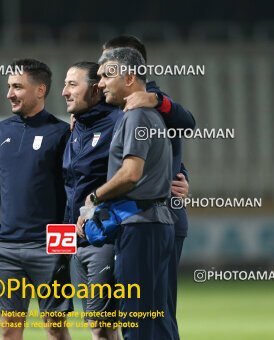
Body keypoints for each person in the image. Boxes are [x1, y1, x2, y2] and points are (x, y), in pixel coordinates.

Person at [103, 35, 195, 339]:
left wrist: (157, 100)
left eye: (111, 63)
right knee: (141, 314)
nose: (102, 71)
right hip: (127, 218)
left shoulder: (150, 101)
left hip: (151, 216)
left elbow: (187, 123)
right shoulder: (113, 105)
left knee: (149, 314)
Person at [87, 47, 175, 339]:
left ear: (129, 78)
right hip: (151, 225)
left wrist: (95, 197)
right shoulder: (143, 114)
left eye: (106, 76)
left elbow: (131, 174)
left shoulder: (137, 116)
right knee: (156, 318)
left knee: (138, 322)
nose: (99, 83)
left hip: (141, 227)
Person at [0, 58, 72, 340]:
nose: (10, 93)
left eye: (17, 87)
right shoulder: (2, 131)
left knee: (55, 328)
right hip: (6, 247)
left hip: (50, 247)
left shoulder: (61, 133)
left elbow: (73, 189)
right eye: (9, 86)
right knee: (9, 329)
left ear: (40, 89)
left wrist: (65, 241)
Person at [61, 61, 122, 340]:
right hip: (75, 241)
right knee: (97, 326)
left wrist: (179, 174)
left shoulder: (119, 122)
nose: (64, 91)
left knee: (103, 325)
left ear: (96, 89)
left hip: (104, 238)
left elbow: (154, 150)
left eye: (73, 84)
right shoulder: (77, 128)